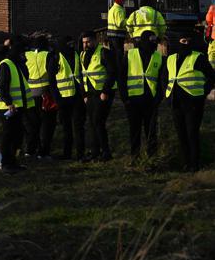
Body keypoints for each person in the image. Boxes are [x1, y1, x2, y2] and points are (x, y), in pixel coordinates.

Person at [165, 33, 215, 172]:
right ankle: (186, 163)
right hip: (175, 102)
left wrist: (202, 93)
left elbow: (211, 77)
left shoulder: (198, 57)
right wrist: (167, 95)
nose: (186, 43)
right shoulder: (170, 58)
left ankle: (195, 164)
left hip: (193, 103)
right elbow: (166, 78)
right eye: (183, 40)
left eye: (188, 41)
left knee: (192, 133)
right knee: (181, 134)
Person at [122, 30, 165, 161]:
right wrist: (125, 99)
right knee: (134, 130)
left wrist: (158, 98)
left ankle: (152, 156)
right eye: (150, 41)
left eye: (154, 41)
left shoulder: (158, 56)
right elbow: (121, 77)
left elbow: (161, 80)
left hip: (151, 100)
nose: (152, 44)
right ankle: (135, 156)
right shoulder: (130, 54)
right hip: (133, 99)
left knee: (151, 130)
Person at [0, 36, 33, 173]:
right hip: (8, 107)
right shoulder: (6, 64)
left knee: (16, 135)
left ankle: (13, 162)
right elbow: (2, 86)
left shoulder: (16, 64)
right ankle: (6, 163)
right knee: (8, 136)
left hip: (17, 106)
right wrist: (9, 102)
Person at [80, 30, 116, 162]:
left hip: (102, 93)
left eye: (88, 42)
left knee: (98, 122)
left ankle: (106, 152)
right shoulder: (83, 54)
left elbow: (112, 73)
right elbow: (83, 74)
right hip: (90, 94)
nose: (86, 45)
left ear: (95, 41)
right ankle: (95, 152)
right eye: (84, 42)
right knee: (92, 123)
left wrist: (105, 91)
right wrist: (84, 94)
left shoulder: (104, 52)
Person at [51, 36, 84, 160]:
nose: (70, 47)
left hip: (77, 96)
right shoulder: (56, 57)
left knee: (78, 126)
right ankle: (67, 153)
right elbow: (52, 80)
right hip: (63, 98)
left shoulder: (77, 54)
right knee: (67, 128)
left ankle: (80, 154)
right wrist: (56, 98)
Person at [25, 36, 54, 159]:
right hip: (45, 94)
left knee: (32, 125)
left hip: (30, 95)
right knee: (46, 125)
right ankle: (43, 152)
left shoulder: (26, 55)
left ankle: (30, 150)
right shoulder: (48, 55)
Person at [107, 0, 127, 67]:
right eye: (123, 0)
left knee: (113, 55)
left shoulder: (112, 9)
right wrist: (129, 20)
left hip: (111, 35)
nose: (124, 2)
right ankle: (119, 70)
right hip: (118, 36)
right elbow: (120, 23)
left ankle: (114, 69)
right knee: (119, 55)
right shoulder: (119, 10)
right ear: (120, 0)